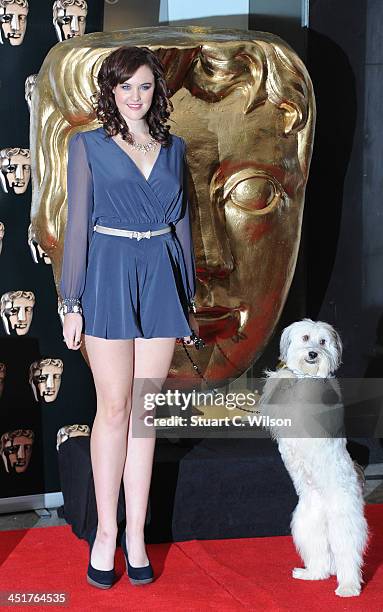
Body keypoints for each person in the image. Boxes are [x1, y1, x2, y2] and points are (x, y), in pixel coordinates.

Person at [60, 45, 199, 588]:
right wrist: (71, 302)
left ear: (156, 91)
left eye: (144, 86)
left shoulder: (174, 147)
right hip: (108, 277)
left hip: (161, 279)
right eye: (125, 87)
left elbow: (183, 225)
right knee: (114, 408)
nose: (135, 97)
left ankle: (137, 535)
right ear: (110, 92)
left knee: (145, 412)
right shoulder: (87, 146)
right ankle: (105, 535)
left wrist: (185, 297)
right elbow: (77, 228)